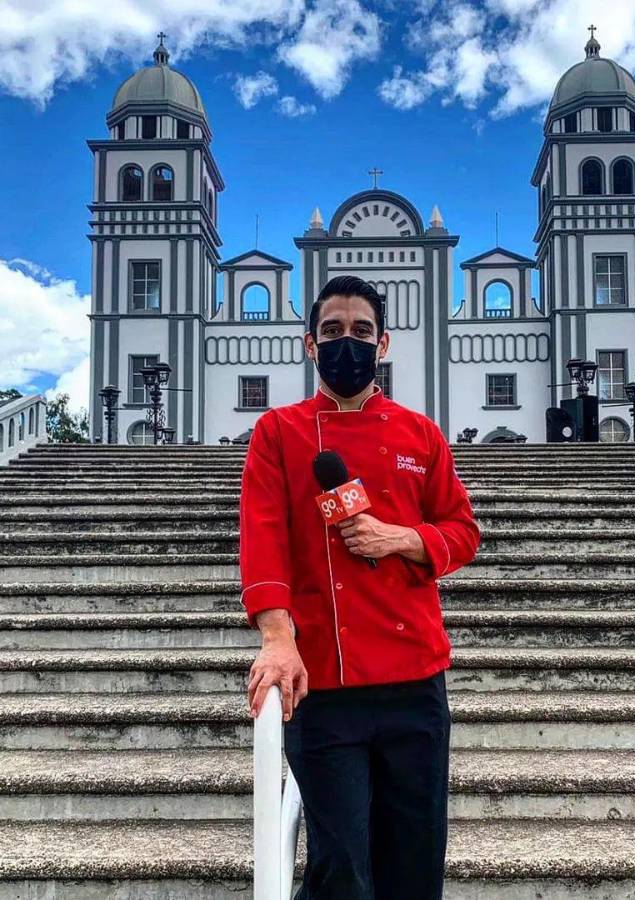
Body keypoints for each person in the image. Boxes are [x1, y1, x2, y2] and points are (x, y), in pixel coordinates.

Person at [239, 275, 481, 900]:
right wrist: (276, 638)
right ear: (310, 345)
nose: (348, 343)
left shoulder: (420, 434)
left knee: (415, 856)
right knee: (341, 865)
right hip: (324, 682)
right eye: (333, 331)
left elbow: (462, 531)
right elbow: (264, 539)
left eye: (362, 332)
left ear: (385, 343)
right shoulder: (279, 432)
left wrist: (401, 538)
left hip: (413, 679)